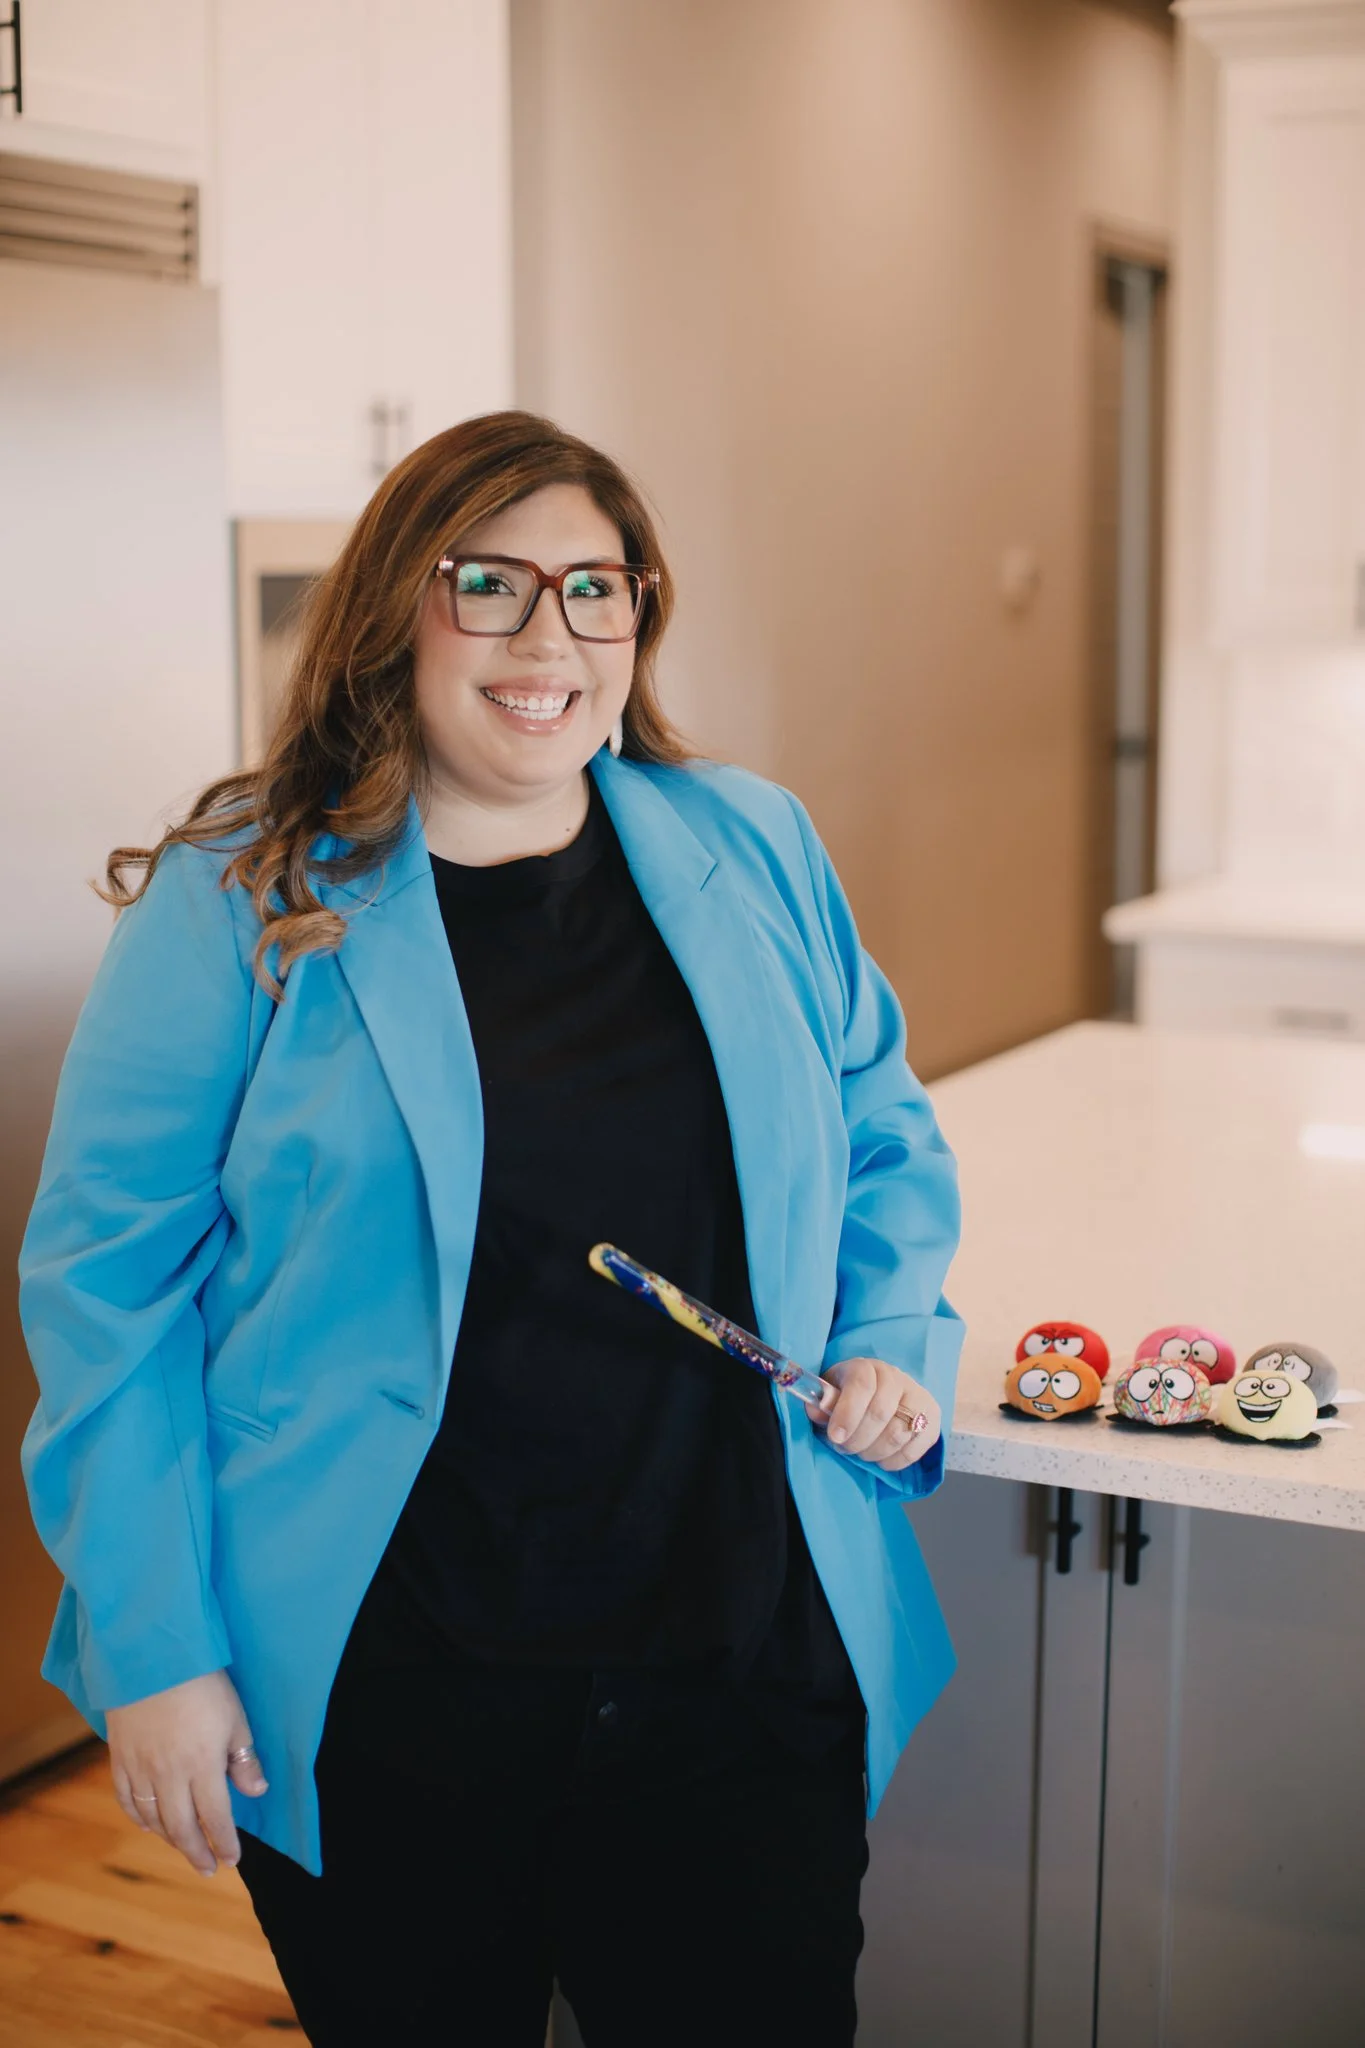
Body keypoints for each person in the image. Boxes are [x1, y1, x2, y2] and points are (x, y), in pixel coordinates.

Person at [18, 411, 964, 2047]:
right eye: (491, 585)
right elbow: (110, 1293)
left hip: (737, 1666)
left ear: (639, 614)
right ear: (398, 609)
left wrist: (886, 1339)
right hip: (399, 1687)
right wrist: (156, 1648)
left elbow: (882, 1129)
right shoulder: (241, 896)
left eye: (596, 587)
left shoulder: (753, 842)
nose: (550, 638)